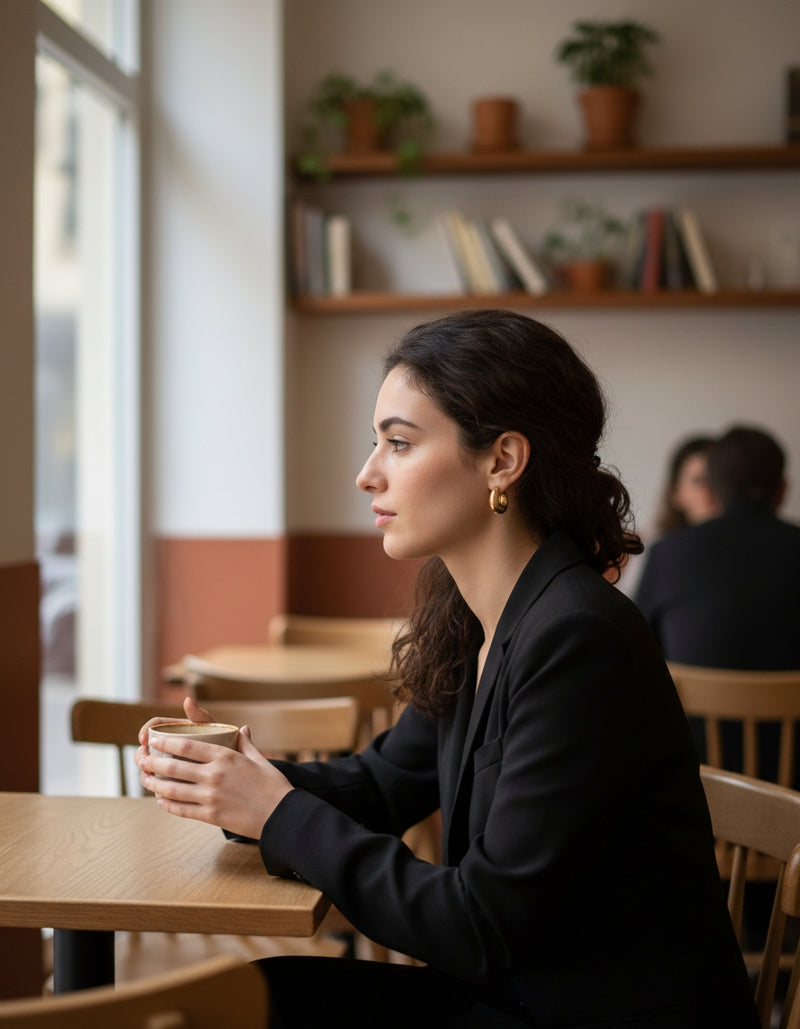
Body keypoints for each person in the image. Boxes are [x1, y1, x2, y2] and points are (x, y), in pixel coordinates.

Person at [137, 310, 757, 1028]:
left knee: (239, 1008)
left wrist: (275, 811)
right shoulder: (475, 618)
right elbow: (381, 784)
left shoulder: (580, 637)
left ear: (502, 461)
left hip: (582, 1015)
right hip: (511, 998)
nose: (367, 473)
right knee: (248, 998)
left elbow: (483, 924)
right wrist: (235, 779)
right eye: (376, 442)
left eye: (399, 443)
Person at [635, 424, 800, 786]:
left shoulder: (668, 554)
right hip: (794, 787)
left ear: (714, 489)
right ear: (782, 489)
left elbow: (634, 657)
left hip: (695, 783)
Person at [652, 433, 718, 536]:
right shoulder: (660, 544)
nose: (709, 490)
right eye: (698, 481)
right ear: (675, 493)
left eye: (718, 478)